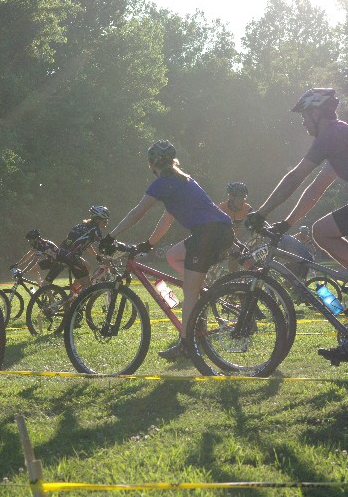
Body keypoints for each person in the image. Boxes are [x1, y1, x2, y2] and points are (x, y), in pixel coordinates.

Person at [99, 140, 234, 360]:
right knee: (173, 256)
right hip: (219, 231)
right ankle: (200, 291)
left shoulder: (163, 182)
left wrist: (111, 236)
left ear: (152, 164)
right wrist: (150, 243)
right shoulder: (183, 179)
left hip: (208, 234)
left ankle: (186, 345)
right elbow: (167, 218)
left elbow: (137, 212)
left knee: (189, 293)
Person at [245, 87, 348, 364]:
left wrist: (262, 211)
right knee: (322, 231)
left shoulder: (332, 134)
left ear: (317, 113)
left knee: (323, 231)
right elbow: (315, 189)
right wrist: (286, 222)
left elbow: (296, 177)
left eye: (305, 115)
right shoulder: (338, 139)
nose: (303, 122)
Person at [47, 205, 110, 292]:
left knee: (87, 266)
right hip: (72, 257)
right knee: (88, 286)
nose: (106, 223)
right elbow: (103, 247)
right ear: (97, 220)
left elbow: (87, 245)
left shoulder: (81, 226)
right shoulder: (95, 231)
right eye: (105, 220)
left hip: (61, 252)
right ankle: (76, 302)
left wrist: (97, 257)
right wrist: (105, 259)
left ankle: (73, 292)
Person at [218, 182, 253, 272]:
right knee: (232, 253)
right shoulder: (221, 208)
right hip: (219, 237)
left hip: (233, 239)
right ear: (231, 197)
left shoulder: (246, 208)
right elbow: (217, 230)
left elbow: (259, 220)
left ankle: (234, 279)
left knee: (241, 256)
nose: (243, 200)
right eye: (240, 197)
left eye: (244, 197)